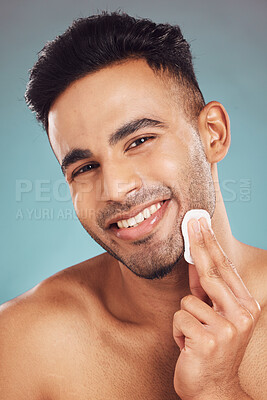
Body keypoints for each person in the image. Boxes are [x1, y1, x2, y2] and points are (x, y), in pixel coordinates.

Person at [0, 11, 266, 400]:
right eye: (86, 167)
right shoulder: (23, 343)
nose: (117, 189)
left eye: (139, 140)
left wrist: (216, 389)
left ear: (213, 133)